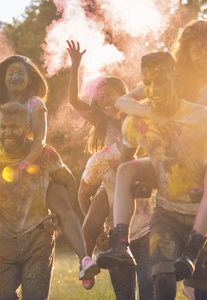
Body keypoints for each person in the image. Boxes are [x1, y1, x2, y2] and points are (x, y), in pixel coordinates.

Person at [97, 52, 207, 300]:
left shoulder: (205, 117)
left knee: (203, 293)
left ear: (176, 79)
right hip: (166, 214)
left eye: (160, 81)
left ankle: (193, 247)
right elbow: (127, 162)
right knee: (164, 281)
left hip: (201, 215)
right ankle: (119, 244)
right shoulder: (136, 122)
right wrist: (139, 185)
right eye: (148, 82)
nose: (154, 88)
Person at [0, 55, 98, 292]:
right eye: (9, 72)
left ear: (30, 78)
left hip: (33, 169)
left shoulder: (34, 103)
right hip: (1, 173)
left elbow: (40, 139)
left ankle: (84, 259)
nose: (13, 75)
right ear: (2, 78)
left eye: (20, 72)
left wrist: (23, 166)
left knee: (60, 196)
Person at [110, 1, 207, 297]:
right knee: (127, 171)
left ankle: (192, 269)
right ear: (186, 51)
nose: (203, 56)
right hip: (171, 159)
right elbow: (124, 102)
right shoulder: (176, 78)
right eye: (196, 49)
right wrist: (152, 114)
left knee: (197, 278)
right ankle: (118, 243)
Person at [67, 40, 154, 298]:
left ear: (125, 95)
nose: (106, 99)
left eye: (112, 94)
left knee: (150, 292)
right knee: (123, 294)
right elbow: (73, 100)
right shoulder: (100, 120)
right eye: (101, 96)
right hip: (112, 195)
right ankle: (86, 259)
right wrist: (75, 67)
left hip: (144, 217)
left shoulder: (137, 118)